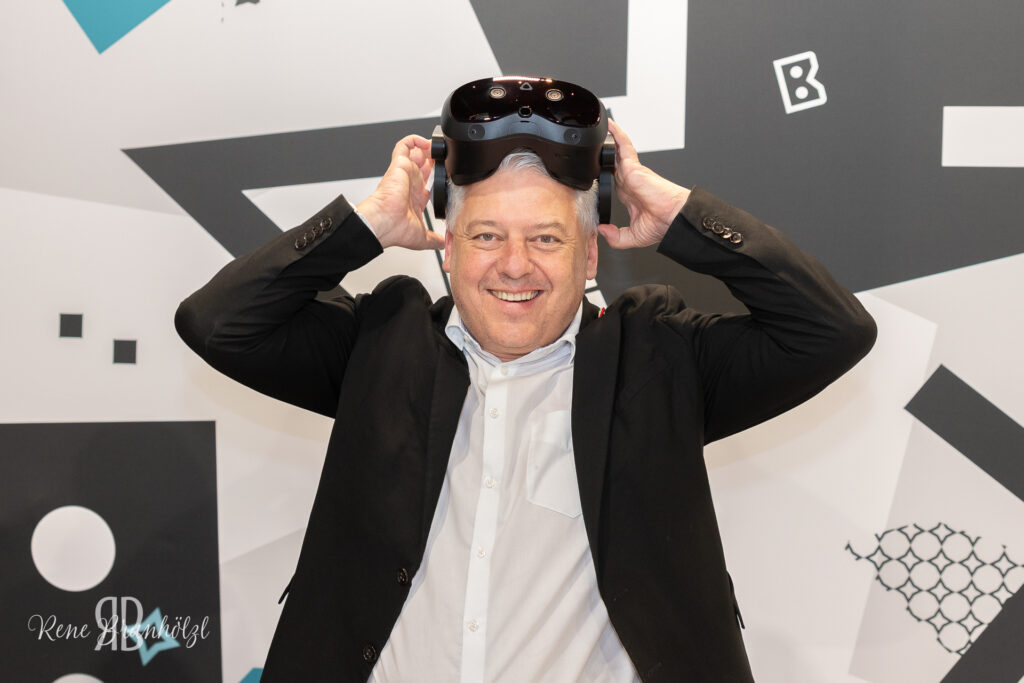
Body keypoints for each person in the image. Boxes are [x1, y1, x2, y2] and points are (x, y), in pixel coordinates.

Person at [176, 107, 876, 680]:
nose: (515, 265)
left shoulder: (659, 358)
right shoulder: (382, 342)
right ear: (450, 247)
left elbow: (832, 330)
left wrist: (681, 217)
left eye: (546, 238)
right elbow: (216, 322)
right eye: (487, 235)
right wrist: (365, 226)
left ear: (590, 253)